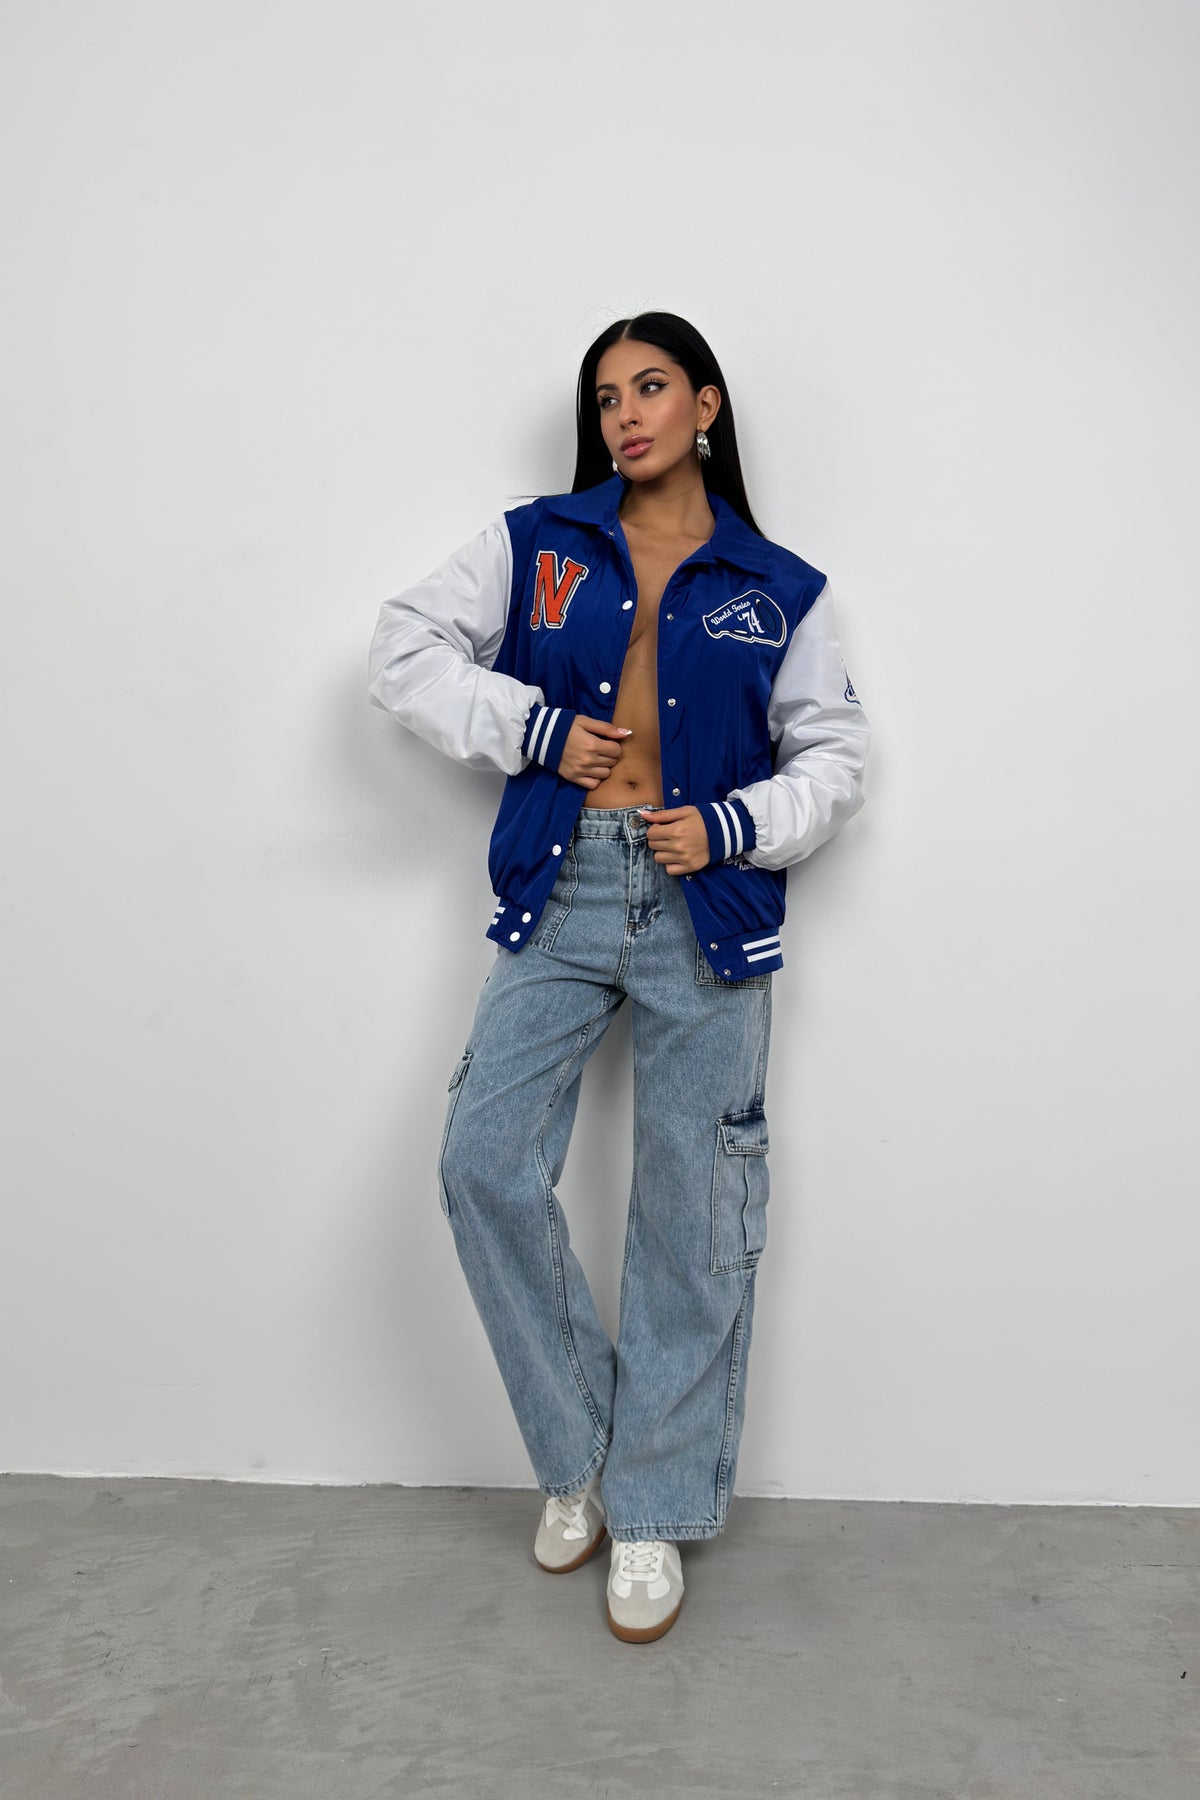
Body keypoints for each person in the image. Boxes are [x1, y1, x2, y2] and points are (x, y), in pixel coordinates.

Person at [366, 311, 870, 1644]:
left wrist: (737, 824)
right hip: (566, 881)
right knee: (483, 1161)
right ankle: (587, 1451)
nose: (626, 415)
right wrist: (532, 725)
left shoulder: (780, 586)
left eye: (651, 388)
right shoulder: (538, 543)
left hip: (707, 899)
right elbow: (402, 649)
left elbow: (835, 759)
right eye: (605, 397)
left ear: (706, 406)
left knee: (690, 1208)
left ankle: (649, 1512)